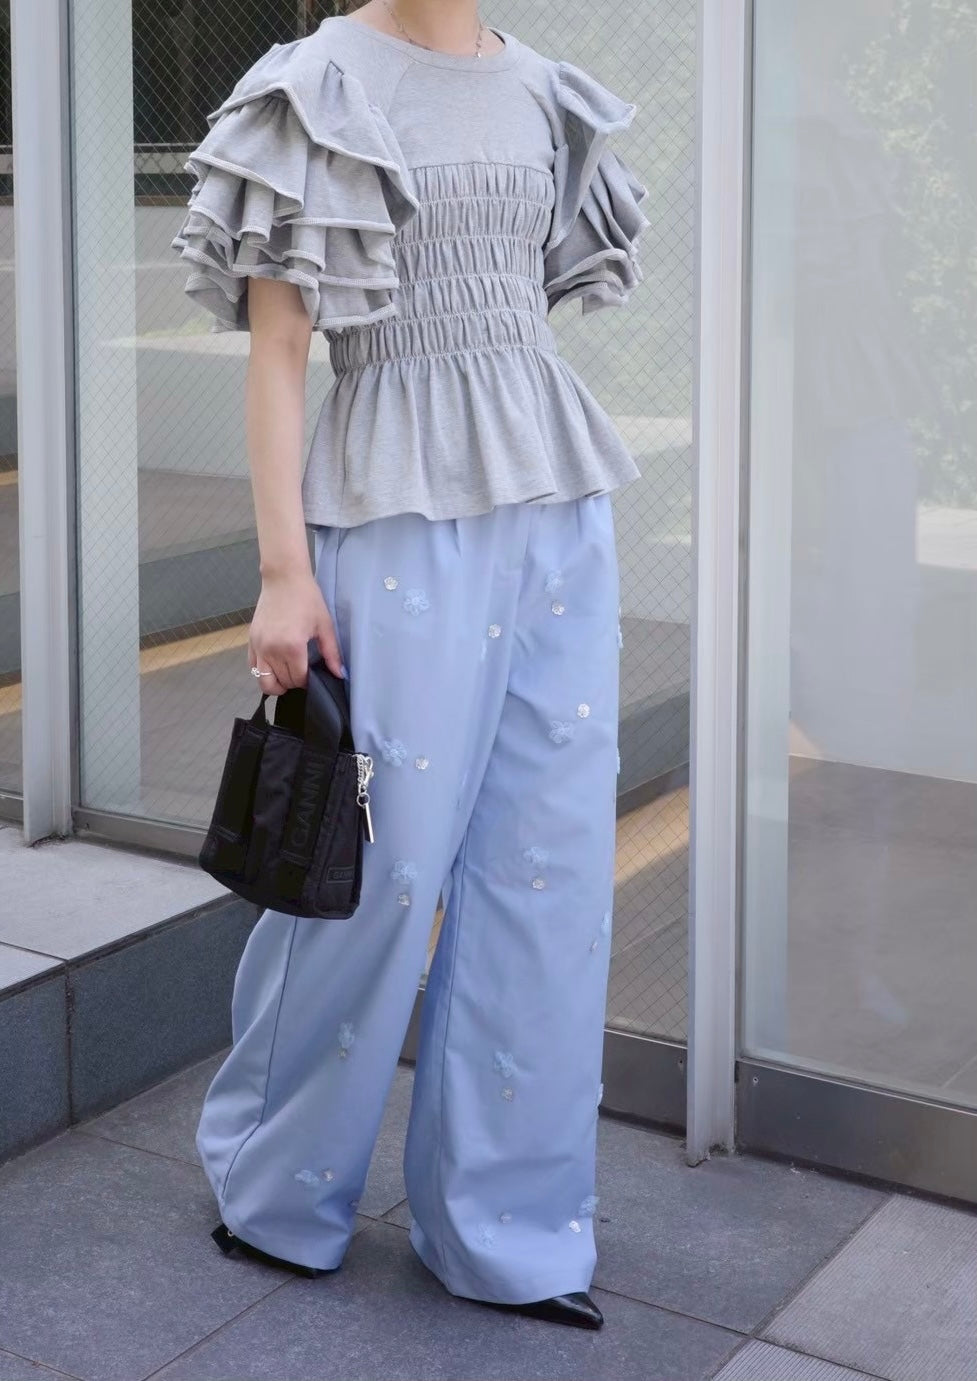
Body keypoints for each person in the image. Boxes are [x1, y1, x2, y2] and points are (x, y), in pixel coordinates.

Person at [170, 0, 650, 1330]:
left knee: (546, 876)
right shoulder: (318, 85)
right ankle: (275, 1184)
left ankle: (508, 1231)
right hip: (389, 515)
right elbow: (279, 350)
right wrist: (283, 571)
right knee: (374, 873)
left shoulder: (543, 88)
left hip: (554, 510)